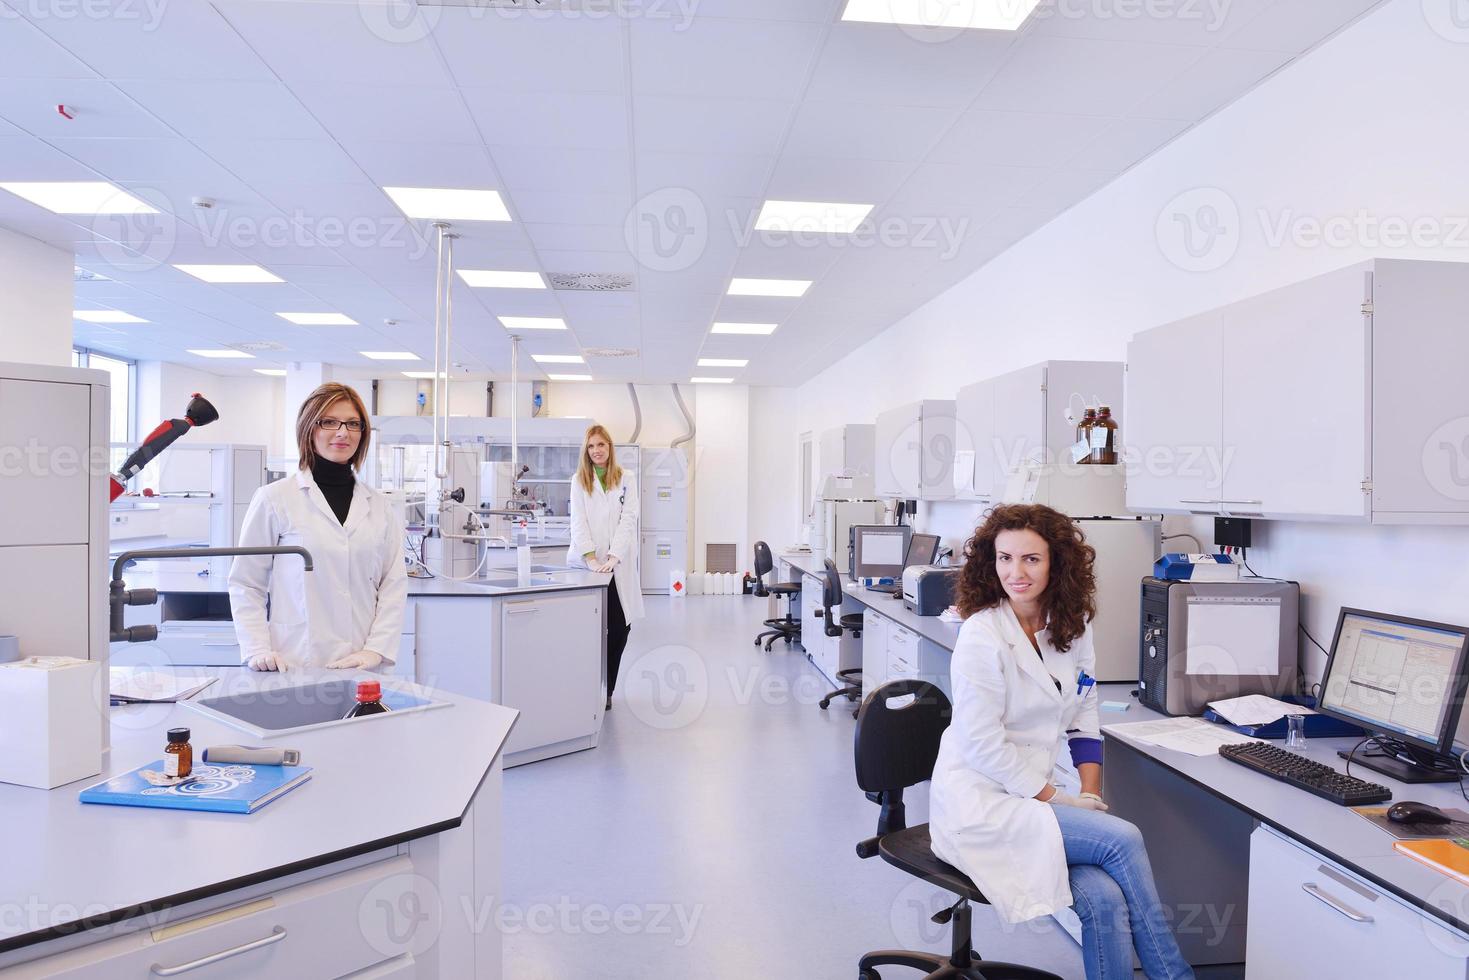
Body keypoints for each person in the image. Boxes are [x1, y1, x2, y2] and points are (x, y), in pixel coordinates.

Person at [929, 503, 1193, 980]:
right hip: (982, 804)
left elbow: (1084, 713)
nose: (1016, 572)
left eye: (1031, 559)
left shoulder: (1070, 625)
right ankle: (1174, 976)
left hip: (1037, 795)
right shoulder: (981, 636)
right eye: (1004, 558)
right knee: (1123, 840)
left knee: (1105, 899)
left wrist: (1089, 794)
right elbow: (983, 747)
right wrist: (1061, 800)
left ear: (1057, 563)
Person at [229, 382, 406, 672]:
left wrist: (375, 650)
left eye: (353, 424)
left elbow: (393, 585)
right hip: (294, 660)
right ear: (309, 428)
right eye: (329, 422)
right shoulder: (275, 498)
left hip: (363, 662)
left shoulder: (378, 505)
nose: (342, 432)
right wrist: (257, 649)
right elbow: (246, 583)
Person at [567, 424, 643, 709]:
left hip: (617, 565)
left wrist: (613, 557)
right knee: (591, 630)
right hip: (588, 565)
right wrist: (592, 559)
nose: (596, 450)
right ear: (585, 451)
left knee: (621, 628)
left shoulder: (627, 478)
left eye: (601, 444)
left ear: (610, 446)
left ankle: (607, 689)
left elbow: (629, 518)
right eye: (591, 446)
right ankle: (590, 686)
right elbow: (578, 521)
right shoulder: (578, 480)